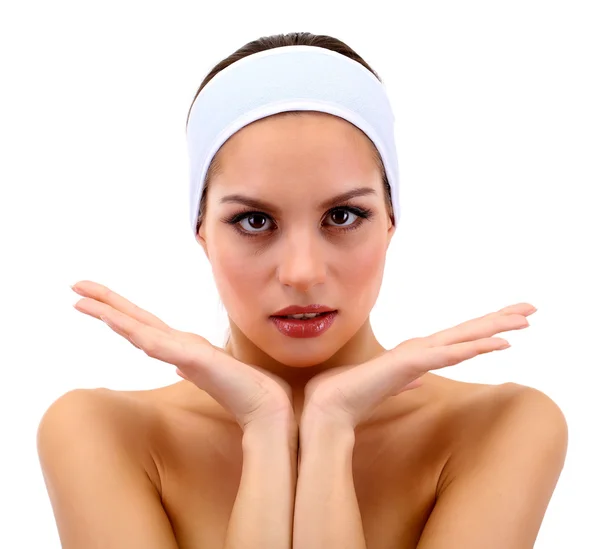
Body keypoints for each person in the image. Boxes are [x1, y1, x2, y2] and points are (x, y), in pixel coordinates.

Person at [37, 32, 568, 549]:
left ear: (390, 220)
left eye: (343, 215)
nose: (301, 272)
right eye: (253, 221)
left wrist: (331, 425)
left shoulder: (501, 428)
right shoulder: (101, 433)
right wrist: (264, 426)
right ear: (201, 231)